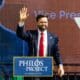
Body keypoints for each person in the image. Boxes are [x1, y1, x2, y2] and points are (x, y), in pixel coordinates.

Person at [16, 7, 64, 80]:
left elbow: (56, 53)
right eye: (41, 22)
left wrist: (60, 66)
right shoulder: (31, 34)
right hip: (32, 69)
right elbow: (20, 34)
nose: (44, 24)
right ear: (37, 23)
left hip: (46, 69)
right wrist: (21, 21)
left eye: (45, 22)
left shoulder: (53, 37)